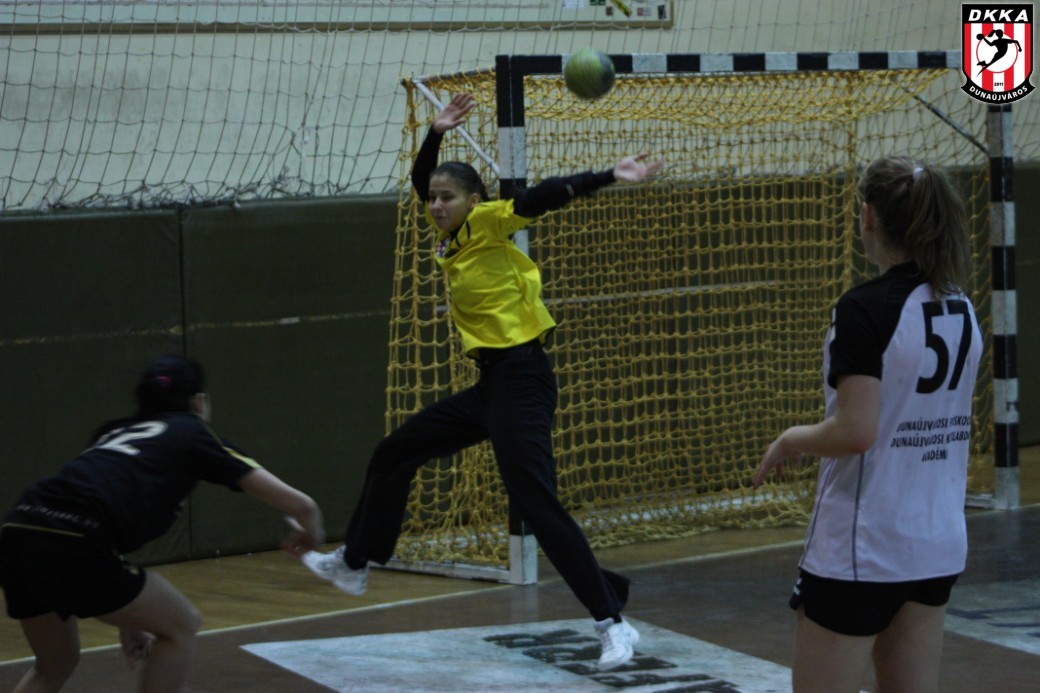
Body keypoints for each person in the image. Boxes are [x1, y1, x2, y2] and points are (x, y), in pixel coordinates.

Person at [302, 92, 664, 671]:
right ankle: (355, 562)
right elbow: (422, 181)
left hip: (523, 379)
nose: (436, 204)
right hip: (490, 385)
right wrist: (436, 133)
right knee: (394, 452)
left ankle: (611, 623)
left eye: (448, 197)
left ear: (474, 200)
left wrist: (605, 177)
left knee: (535, 502)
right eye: (434, 197)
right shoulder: (449, 234)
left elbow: (542, 197)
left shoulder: (491, 221)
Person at [753, 157, 982, 693]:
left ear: (868, 216)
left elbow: (855, 432)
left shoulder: (863, 310)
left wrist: (790, 439)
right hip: (937, 542)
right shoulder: (961, 305)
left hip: (866, 546)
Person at [0, 355, 325, 693]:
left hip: (19, 531)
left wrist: (129, 620)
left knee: (54, 664)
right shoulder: (191, 430)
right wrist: (311, 532)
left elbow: (96, 514)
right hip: (74, 539)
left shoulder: (114, 432)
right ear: (198, 401)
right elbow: (302, 505)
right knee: (181, 625)